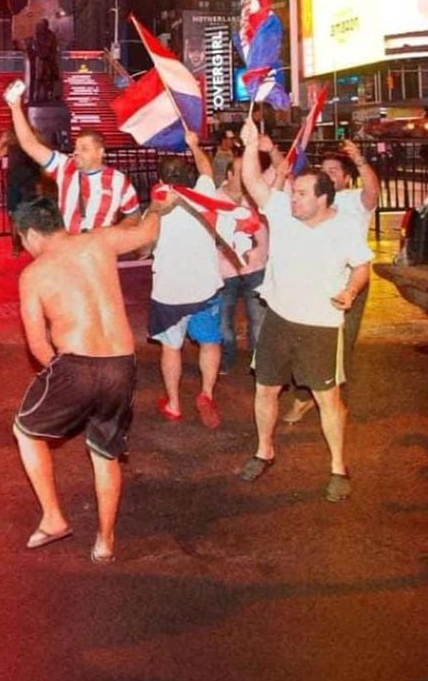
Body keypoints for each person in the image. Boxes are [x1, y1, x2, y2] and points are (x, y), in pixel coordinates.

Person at [12, 192, 176, 563]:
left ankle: (53, 518)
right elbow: (148, 232)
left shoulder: (34, 273)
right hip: (122, 363)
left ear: (32, 235)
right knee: (104, 452)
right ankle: (105, 542)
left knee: (25, 430)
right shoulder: (100, 240)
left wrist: (62, 377)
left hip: (76, 366)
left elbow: (37, 344)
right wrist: (157, 208)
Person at [238, 118, 373, 501]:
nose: (291, 198)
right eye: (293, 192)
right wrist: (251, 147)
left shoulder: (344, 228)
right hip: (279, 320)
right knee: (265, 390)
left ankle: (337, 467)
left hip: (321, 327)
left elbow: (363, 266)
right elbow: (254, 183)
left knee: (327, 400)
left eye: (300, 194)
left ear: (323, 199)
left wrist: (351, 290)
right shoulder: (283, 212)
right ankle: (264, 451)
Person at [285, 139, 380, 423]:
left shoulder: (355, 201)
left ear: (347, 177)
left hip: (350, 282)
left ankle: (333, 401)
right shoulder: (312, 202)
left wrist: (359, 159)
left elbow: (373, 191)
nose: (329, 174)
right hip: (313, 281)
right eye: (324, 170)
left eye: (335, 170)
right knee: (304, 340)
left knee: (340, 343)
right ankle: (305, 397)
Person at [150, 130, 225, 429]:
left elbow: (143, 245)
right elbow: (206, 169)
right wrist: (194, 145)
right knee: (209, 342)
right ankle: (206, 393)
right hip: (205, 285)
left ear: (160, 179)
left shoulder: (155, 210)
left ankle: (174, 403)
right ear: (188, 176)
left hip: (169, 291)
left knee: (171, 347)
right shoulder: (204, 195)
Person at [5, 83, 140, 233]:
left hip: (98, 249)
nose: (76, 152)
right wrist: (15, 108)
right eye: (76, 148)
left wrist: (114, 235)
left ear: (100, 152)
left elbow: (133, 215)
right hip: (69, 246)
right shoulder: (65, 167)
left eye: (84, 149)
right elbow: (30, 144)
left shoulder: (118, 180)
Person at [217, 159, 268, 376]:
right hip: (224, 270)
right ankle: (227, 358)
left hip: (256, 267)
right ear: (228, 175)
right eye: (241, 172)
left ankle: (259, 363)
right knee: (223, 321)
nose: (247, 176)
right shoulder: (212, 200)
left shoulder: (259, 196)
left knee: (258, 320)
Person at [0, 125, 44, 255]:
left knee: (31, 215)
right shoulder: (12, 145)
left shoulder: (33, 143)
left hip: (30, 185)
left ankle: (31, 243)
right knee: (13, 216)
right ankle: (16, 245)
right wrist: (2, 140)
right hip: (14, 185)